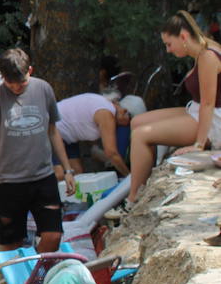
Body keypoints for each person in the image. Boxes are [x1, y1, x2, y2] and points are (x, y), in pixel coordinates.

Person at [0, 48, 74, 253]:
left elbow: (53, 131)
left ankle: (38, 277)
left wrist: (68, 168)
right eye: (11, 83)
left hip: (42, 175)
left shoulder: (43, 89)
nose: (17, 87)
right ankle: (16, 282)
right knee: (11, 242)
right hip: (7, 180)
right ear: (2, 77)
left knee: (53, 235)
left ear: (30, 70)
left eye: (22, 82)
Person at [128, 11, 221, 203]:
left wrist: (198, 144)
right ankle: (142, 178)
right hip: (197, 110)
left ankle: (133, 197)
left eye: (169, 44)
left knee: (140, 135)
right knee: (137, 121)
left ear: (184, 36)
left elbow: (208, 103)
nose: (168, 50)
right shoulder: (202, 50)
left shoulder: (208, 56)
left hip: (214, 120)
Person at [56, 91, 132, 176]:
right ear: (125, 111)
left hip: (67, 135)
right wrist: (128, 176)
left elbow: (83, 119)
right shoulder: (107, 113)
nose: (124, 126)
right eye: (129, 122)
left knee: (77, 173)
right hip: (52, 128)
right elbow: (111, 152)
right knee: (59, 174)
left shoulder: (103, 105)